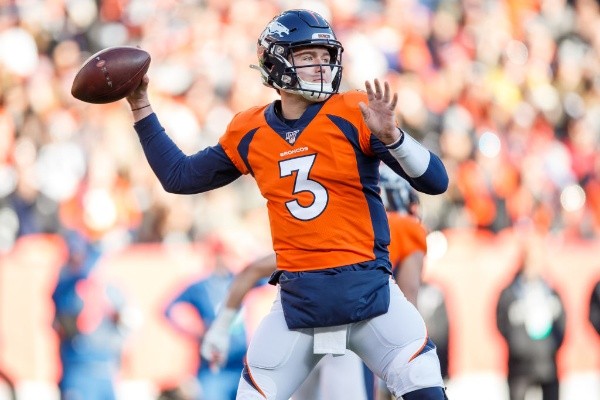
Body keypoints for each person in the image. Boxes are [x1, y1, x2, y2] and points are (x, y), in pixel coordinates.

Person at [125, 9, 449, 399]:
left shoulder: (355, 112)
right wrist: (140, 105)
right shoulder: (250, 130)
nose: (321, 66)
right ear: (275, 62)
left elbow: (436, 181)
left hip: (369, 295)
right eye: (307, 56)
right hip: (300, 304)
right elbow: (179, 177)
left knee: (425, 389)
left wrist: (394, 137)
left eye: (325, 56)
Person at [163, 238, 250, 400]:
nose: (229, 259)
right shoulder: (201, 285)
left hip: (241, 364)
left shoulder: (241, 279)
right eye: (225, 254)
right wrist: (195, 332)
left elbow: (267, 276)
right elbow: (167, 309)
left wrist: (246, 252)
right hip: (213, 367)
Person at [51, 230, 130, 400]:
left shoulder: (110, 288)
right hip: (78, 368)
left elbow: (127, 322)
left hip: (106, 370)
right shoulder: (66, 287)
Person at [495, 233, 566, 400]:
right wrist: (517, 345)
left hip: (547, 362)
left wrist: (552, 346)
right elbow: (501, 321)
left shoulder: (551, 291)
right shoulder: (511, 292)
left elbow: (563, 322)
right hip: (520, 365)